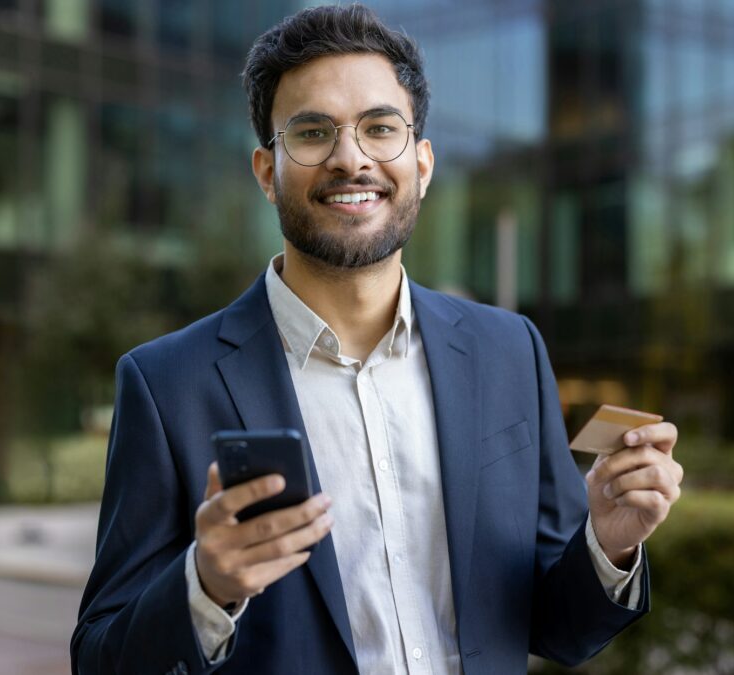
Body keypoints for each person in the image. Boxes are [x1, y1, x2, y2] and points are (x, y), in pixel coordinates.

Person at [71, 5, 683, 675]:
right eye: (311, 132)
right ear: (266, 171)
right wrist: (205, 586)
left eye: (379, 128)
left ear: (421, 163)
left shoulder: (508, 351)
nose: (350, 157)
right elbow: (102, 657)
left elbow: (558, 628)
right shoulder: (167, 385)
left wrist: (607, 544)